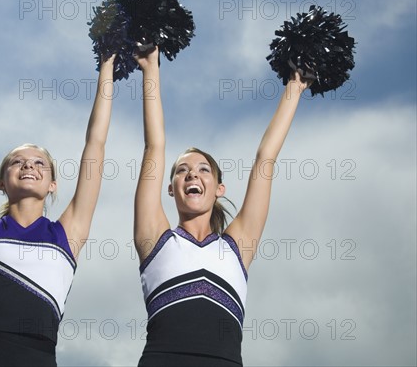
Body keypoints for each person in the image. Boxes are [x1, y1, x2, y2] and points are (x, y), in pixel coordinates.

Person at [0, 48, 115, 366]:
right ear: (2, 182)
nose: (29, 165)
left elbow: (95, 142)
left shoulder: (67, 233)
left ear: (52, 183)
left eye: (40, 162)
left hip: (36, 357)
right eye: (17, 161)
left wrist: (108, 61)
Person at [133, 47, 311, 366]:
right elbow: (154, 145)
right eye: (182, 170)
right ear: (171, 189)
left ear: (219, 188)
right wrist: (150, 69)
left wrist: (294, 87)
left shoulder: (237, 247)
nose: (192, 174)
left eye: (203, 169)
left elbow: (265, 159)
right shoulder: (155, 239)